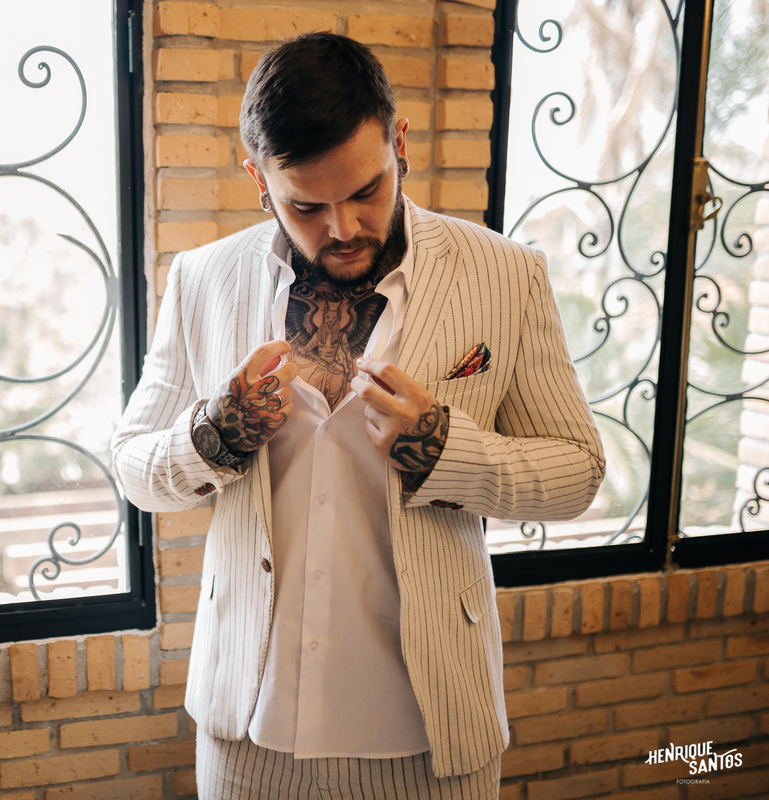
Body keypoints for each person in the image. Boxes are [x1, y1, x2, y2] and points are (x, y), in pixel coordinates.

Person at [112, 33, 604, 800]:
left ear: (399, 143)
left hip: (432, 733)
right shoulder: (204, 279)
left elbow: (578, 470)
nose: (342, 228)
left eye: (366, 191)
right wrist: (214, 435)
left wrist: (446, 449)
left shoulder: (507, 275)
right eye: (307, 206)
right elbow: (133, 464)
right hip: (250, 730)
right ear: (258, 179)